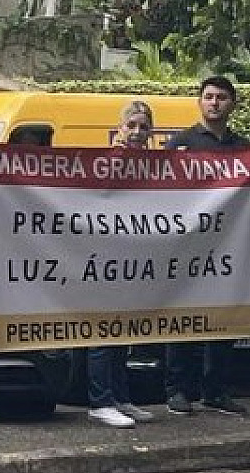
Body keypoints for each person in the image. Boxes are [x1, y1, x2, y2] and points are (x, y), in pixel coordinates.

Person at [163, 76, 250, 417]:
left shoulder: (244, 148)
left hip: (228, 248)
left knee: (223, 319)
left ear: (233, 104)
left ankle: (215, 391)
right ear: (199, 102)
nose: (214, 103)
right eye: (209, 97)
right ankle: (177, 390)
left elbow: (249, 197)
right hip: (187, 248)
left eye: (222, 98)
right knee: (183, 318)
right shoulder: (181, 144)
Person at [86, 100, 157, 428]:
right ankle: (99, 401)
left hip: (135, 257)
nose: (138, 133)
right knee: (102, 329)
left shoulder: (156, 167)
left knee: (122, 331)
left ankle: (121, 397)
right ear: (119, 130)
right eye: (132, 126)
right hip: (103, 257)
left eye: (144, 127)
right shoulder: (106, 161)